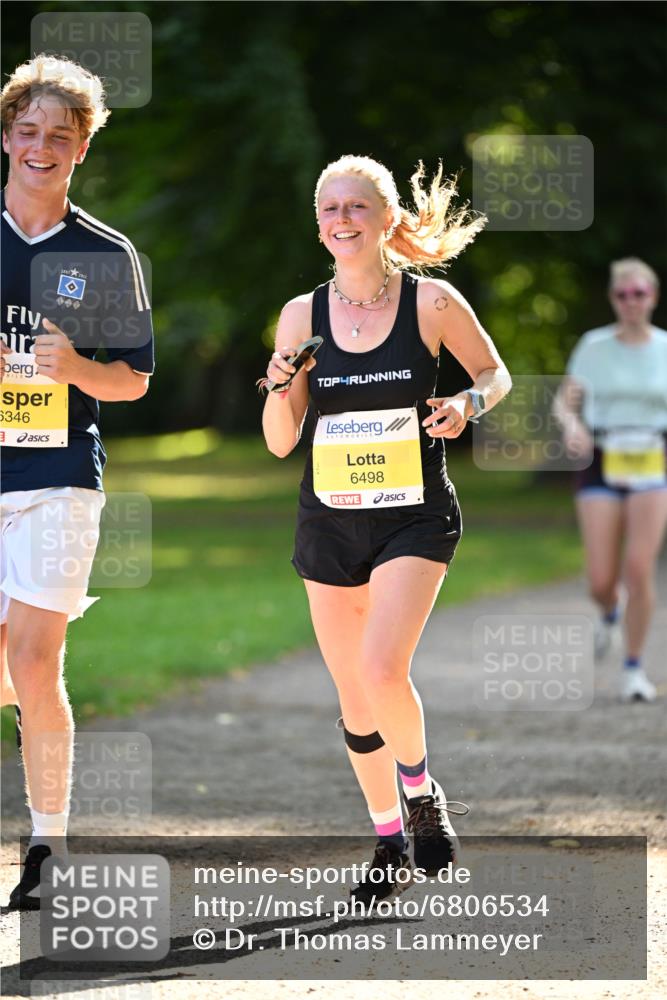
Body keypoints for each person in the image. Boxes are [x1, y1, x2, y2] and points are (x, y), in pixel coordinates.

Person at [260, 154, 511, 906]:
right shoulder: (301, 316)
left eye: (356, 207)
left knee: (380, 669)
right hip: (329, 523)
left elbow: (493, 374)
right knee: (352, 697)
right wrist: (278, 384)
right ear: (318, 226)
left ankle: (421, 795)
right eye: (329, 209)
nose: (342, 219)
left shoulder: (430, 303)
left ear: (386, 220)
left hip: (413, 515)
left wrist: (466, 406)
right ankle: (387, 838)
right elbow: (279, 439)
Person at [0, 55, 155, 908]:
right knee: (9, 675)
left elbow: (133, 379)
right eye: (29, 131)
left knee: (36, 658)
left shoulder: (104, 254)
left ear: (82, 149)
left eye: (62, 135)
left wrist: (73, 366)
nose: (42, 146)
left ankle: (46, 845)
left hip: (59, 478)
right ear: (6, 138)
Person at [556, 257, 667, 703]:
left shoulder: (664, 347)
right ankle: (609, 611)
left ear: (653, 296)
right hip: (601, 457)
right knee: (601, 579)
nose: (631, 302)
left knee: (639, 568)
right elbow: (566, 402)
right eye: (623, 295)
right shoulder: (593, 346)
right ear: (613, 299)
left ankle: (634, 668)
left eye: (639, 294)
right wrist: (572, 426)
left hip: (651, 460)